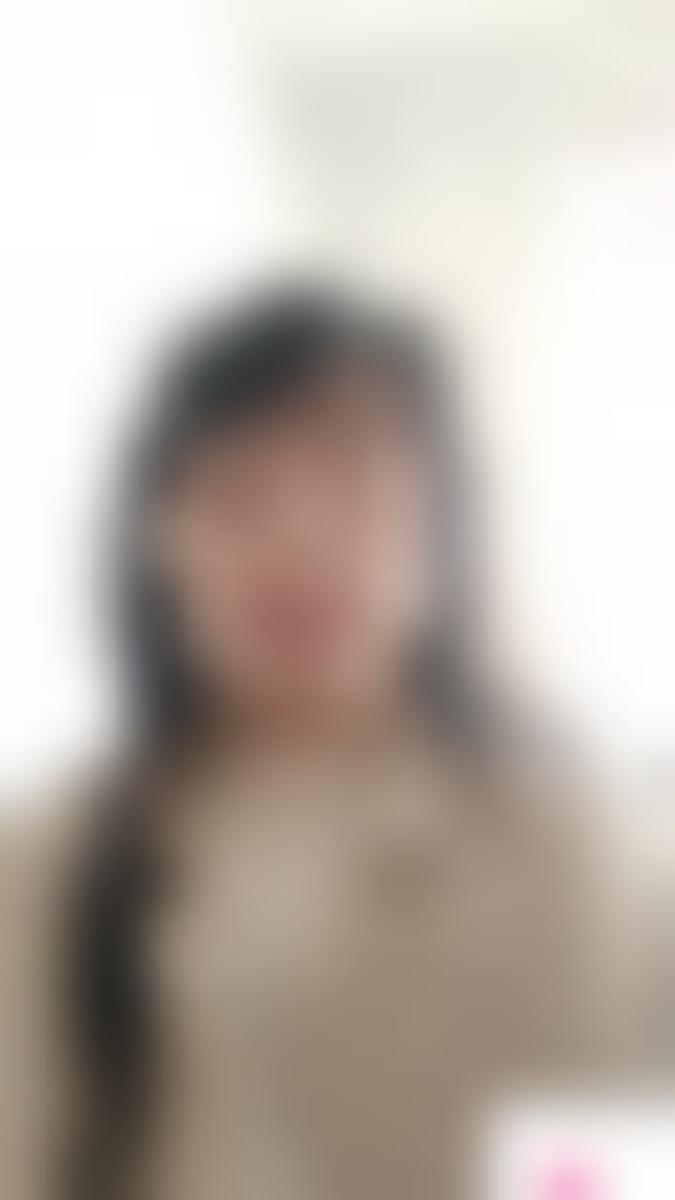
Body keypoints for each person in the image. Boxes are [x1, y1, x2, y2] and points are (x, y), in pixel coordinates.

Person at [2, 285, 665, 1200]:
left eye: (353, 484)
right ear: (157, 536)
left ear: (444, 529)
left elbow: (610, 1165)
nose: (298, 540)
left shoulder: (573, 848)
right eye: (240, 493)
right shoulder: (48, 859)